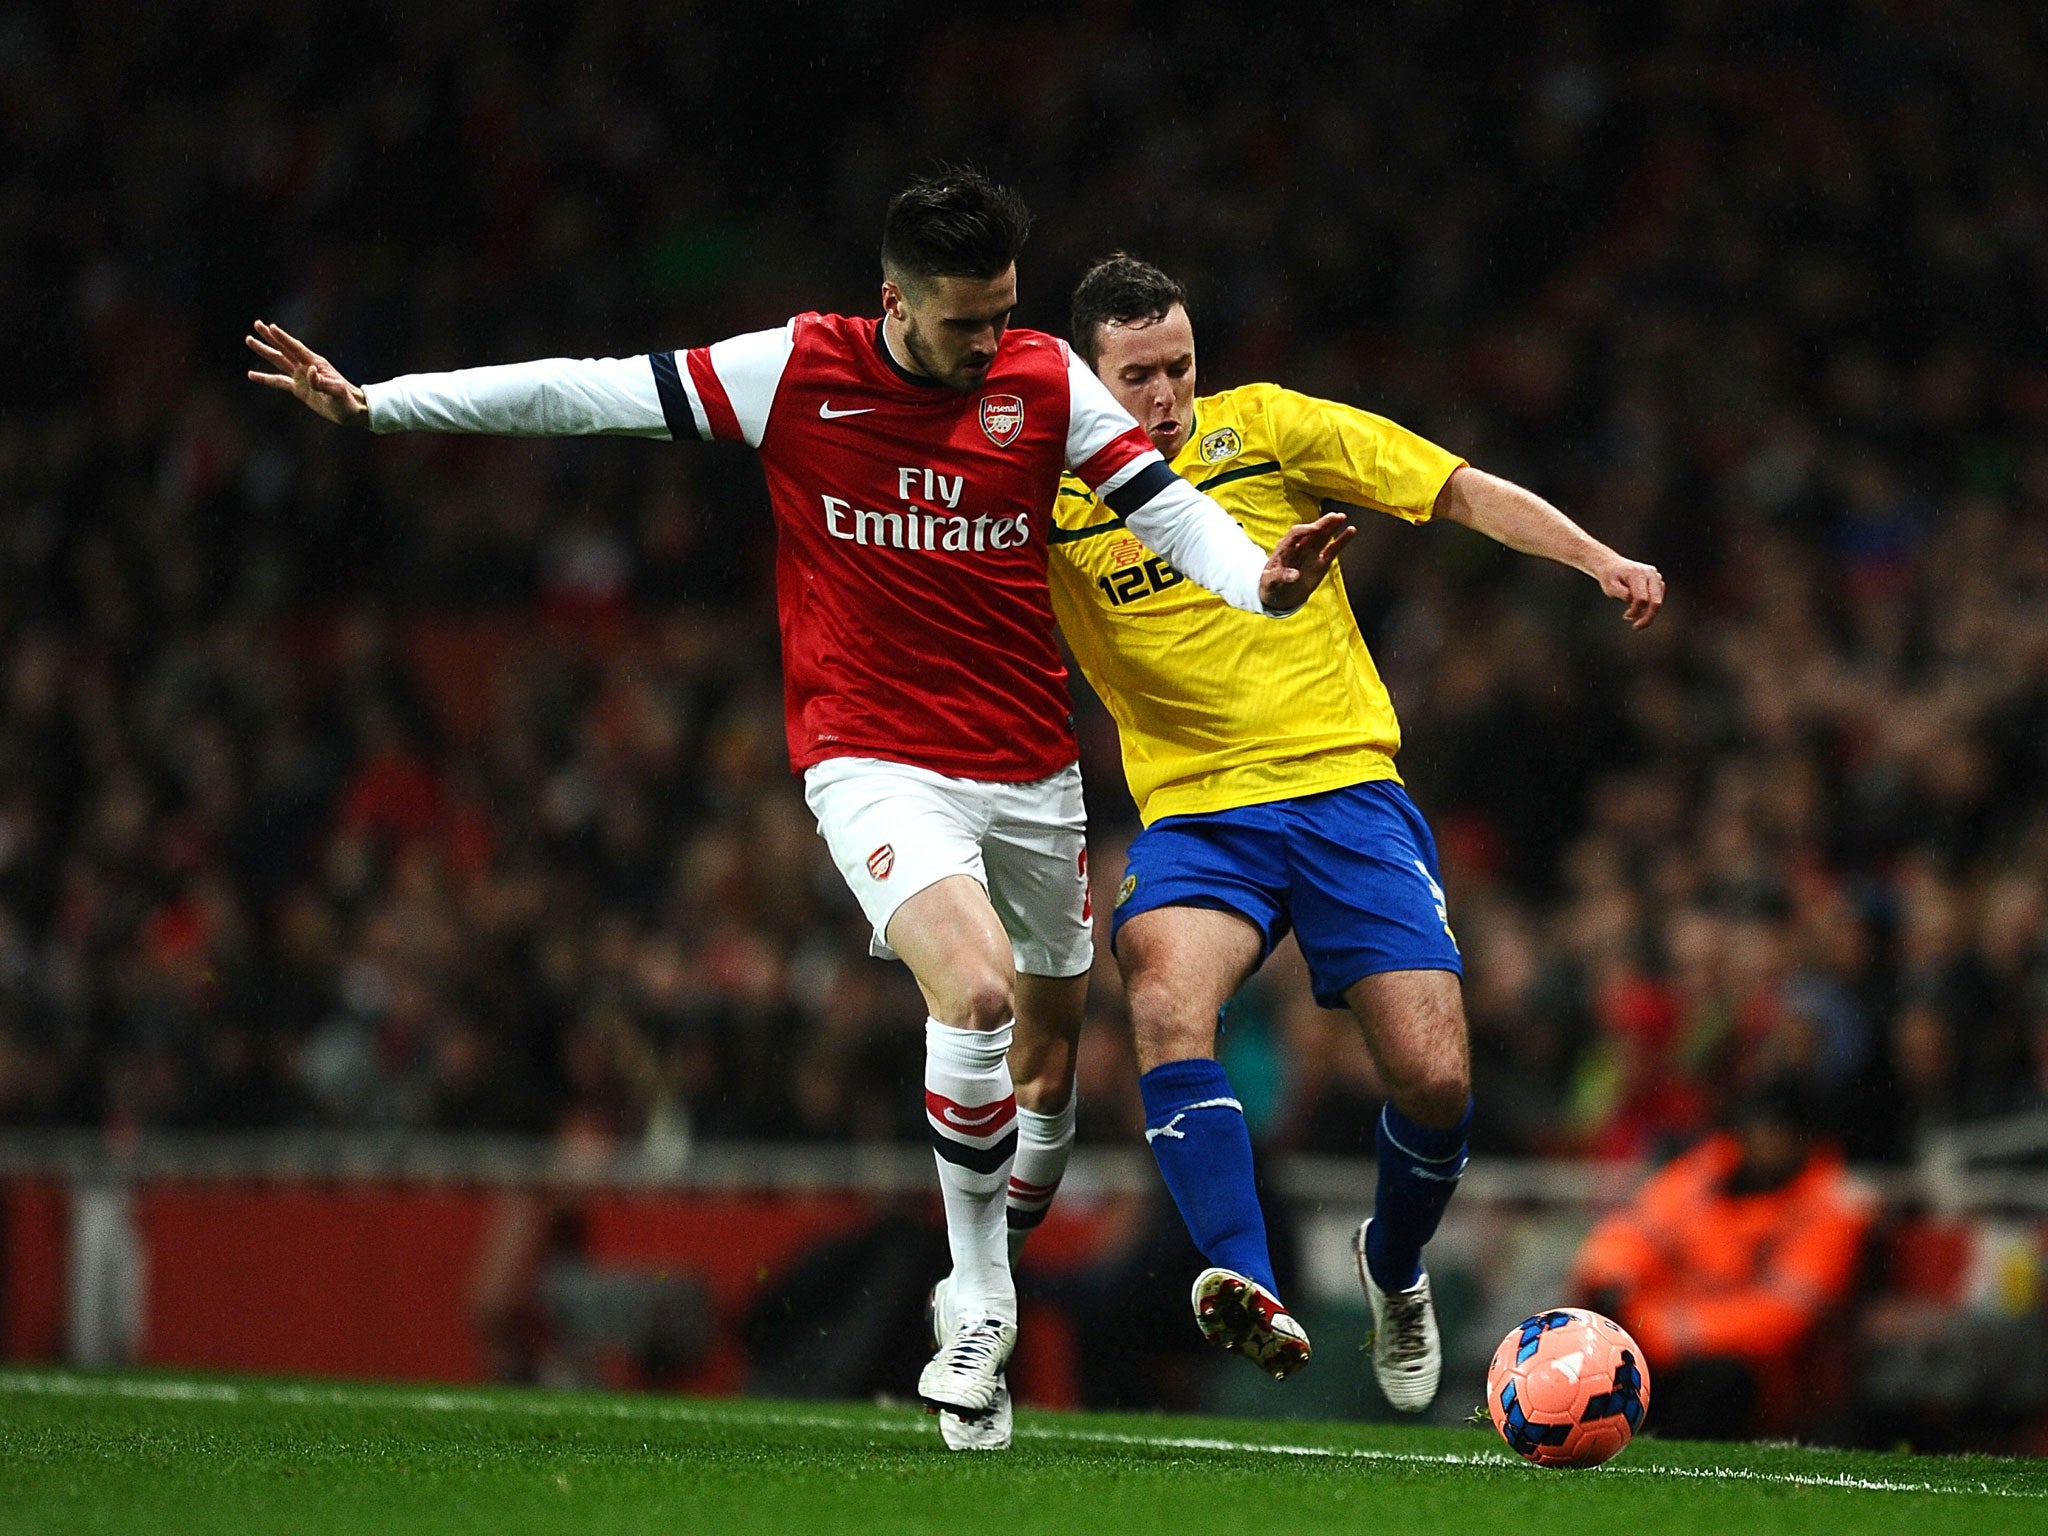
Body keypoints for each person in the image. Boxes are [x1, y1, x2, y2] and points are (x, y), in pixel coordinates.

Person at [245, 173, 1352, 1450]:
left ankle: (996, 1220)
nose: (987, 343)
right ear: (892, 301)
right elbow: (586, 389)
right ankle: (977, 1303)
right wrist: (379, 406)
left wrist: (1260, 587)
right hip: (872, 758)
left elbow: (1162, 508)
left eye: (1000, 315)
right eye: (960, 323)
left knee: (1046, 1071)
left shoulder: (1045, 379)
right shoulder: (795, 374)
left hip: (1030, 767)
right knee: (976, 996)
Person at [1036, 254, 1665, 1410]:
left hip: (1342, 793)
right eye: (1137, 376)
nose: (1167, 394)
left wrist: (1595, 558)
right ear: (1085, 377)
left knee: (1432, 1078)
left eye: (1179, 365)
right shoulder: (1046, 491)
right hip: (1192, 812)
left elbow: (1454, 485)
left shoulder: (1266, 429)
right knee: (1166, 1005)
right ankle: (1246, 1276)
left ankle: (1390, 1261)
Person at [1571, 1079, 1876, 1438]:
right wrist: (1616, 1281)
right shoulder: (1703, 1175)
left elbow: (1783, 1314)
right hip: (1663, 1334)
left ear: (1807, 1139)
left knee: (1716, 1381)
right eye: (1760, 1127)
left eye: (1781, 1130)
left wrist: (1680, 1329)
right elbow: (1632, 1234)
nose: (1768, 1140)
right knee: (1592, 1341)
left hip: (1765, 1370)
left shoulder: (1832, 1205)